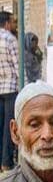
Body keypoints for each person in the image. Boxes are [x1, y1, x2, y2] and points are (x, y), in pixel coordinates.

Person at [0, 11, 18, 171]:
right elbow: (18, 64)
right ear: (6, 23)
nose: (14, 24)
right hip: (11, 88)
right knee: (9, 127)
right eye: (12, 21)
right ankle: (6, 163)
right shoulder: (10, 39)